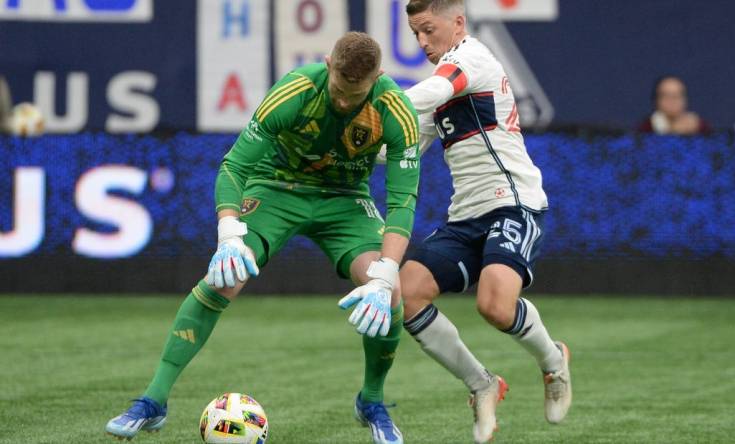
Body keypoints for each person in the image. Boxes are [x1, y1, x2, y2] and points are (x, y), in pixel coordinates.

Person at [105, 32, 420, 444]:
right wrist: (229, 233)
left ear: (378, 76)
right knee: (224, 278)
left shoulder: (395, 110)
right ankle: (153, 402)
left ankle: (372, 401)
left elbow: (402, 201)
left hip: (345, 201)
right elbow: (235, 166)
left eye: (355, 94)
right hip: (275, 188)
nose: (344, 102)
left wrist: (385, 274)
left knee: (391, 291)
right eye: (340, 90)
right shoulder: (295, 90)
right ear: (327, 64)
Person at [394, 1, 571, 442]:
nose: (421, 43)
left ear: (458, 22)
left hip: (515, 202)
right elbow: (401, 146)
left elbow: (435, 91)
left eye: (427, 30)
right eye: (415, 34)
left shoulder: (471, 58)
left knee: (494, 305)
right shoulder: (438, 84)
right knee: (405, 294)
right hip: (466, 216)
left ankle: (553, 362)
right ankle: (482, 385)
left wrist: (373, 97)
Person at [637, 75, 712, 135]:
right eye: (666, 96)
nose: (672, 101)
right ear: (656, 101)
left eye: (676, 96)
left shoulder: (700, 128)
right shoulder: (645, 129)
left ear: (685, 100)